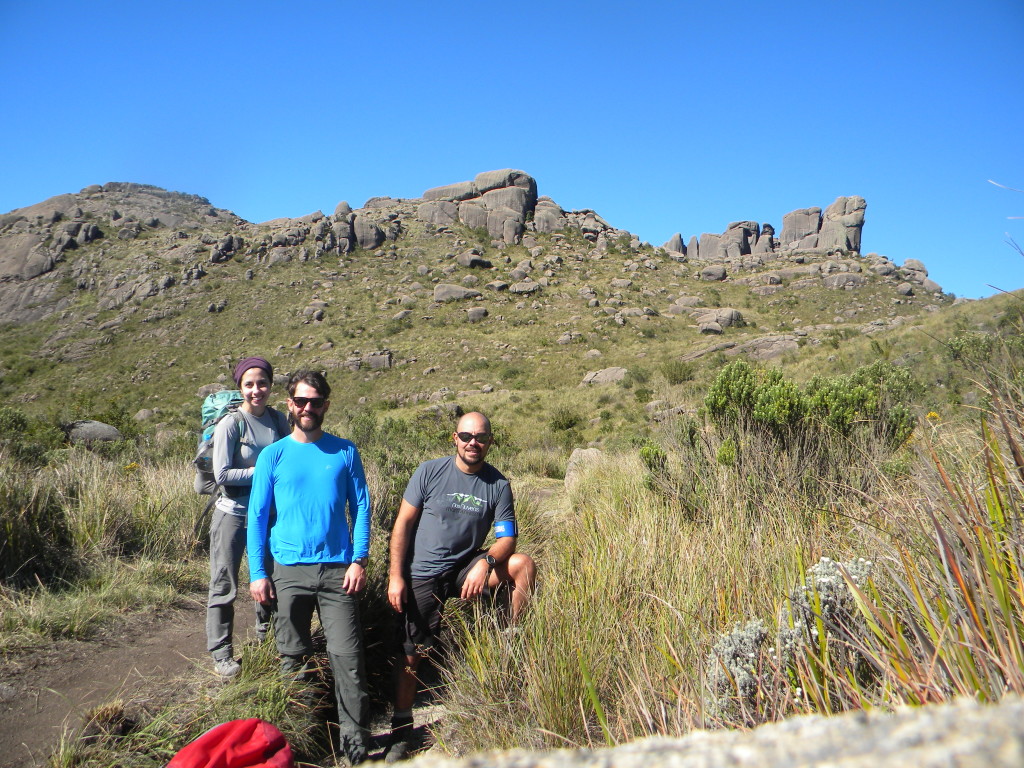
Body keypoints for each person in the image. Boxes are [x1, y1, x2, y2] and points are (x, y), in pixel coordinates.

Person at [384, 411, 536, 762]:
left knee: (522, 565)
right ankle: (402, 727)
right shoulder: (429, 472)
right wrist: (396, 575)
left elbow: (507, 539)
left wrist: (485, 563)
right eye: (466, 436)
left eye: (480, 437)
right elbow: (403, 524)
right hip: (424, 571)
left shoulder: (497, 484)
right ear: (455, 438)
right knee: (411, 653)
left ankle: (509, 639)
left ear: (490, 442)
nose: (473, 443)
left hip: (467, 568)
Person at [247, 370, 372, 765]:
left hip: (338, 571)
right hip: (288, 571)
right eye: (300, 401)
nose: (307, 408)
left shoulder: (345, 451)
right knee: (292, 659)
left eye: (315, 402)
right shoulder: (274, 454)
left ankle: (355, 746)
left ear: (326, 406)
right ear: (290, 404)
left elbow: (363, 507)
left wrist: (359, 558)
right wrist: (257, 573)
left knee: (348, 661)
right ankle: (299, 742)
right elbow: (258, 516)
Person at [207, 356, 289, 678]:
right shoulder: (231, 423)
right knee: (224, 583)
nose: (257, 390)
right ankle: (221, 653)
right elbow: (223, 474)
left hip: (269, 515)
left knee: (269, 579)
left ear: (270, 385)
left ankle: (266, 638)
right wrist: (261, 472)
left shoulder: (278, 420)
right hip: (233, 515)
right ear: (240, 387)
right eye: (249, 384)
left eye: (262, 383)